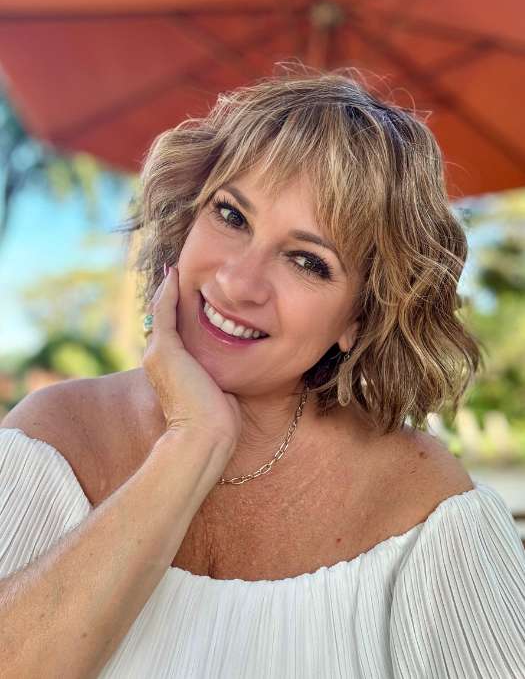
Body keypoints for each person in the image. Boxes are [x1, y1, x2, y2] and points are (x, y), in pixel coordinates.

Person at [1, 65, 524, 678]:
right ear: (188, 218)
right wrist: (193, 443)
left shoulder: (425, 513)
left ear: (360, 317)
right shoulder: (51, 441)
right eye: (231, 215)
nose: (238, 282)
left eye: (307, 261)